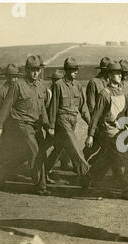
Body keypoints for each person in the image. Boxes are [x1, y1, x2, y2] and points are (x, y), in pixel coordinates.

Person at [0, 55, 51, 195]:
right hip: (21, 124)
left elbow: (42, 108)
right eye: (32, 70)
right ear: (26, 70)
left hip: (35, 126)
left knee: (27, 154)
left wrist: (48, 125)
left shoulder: (40, 86)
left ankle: (2, 172)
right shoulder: (18, 85)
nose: (35, 73)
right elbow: (6, 106)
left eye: (37, 70)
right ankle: (41, 186)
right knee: (36, 152)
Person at [83, 61, 128, 192]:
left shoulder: (123, 91)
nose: (120, 75)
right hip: (109, 131)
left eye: (120, 73)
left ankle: (89, 177)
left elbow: (127, 112)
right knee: (123, 155)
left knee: (107, 158)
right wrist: (90, 135)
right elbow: (96, 116)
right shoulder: (104, 94)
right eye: (117, 73)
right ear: (109, 75)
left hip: (121, 130)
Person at [46, 57, 91, 187]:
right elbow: (54, 106)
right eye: (73, 69)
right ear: (66, 70)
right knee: (74, 146)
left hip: (73, 120)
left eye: (77, 69)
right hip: (62, 120)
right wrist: (51, 126)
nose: (76, 71)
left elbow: (83, 107)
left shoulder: (77, 85)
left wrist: (90, 123)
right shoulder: (58, 85)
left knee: (59, 148)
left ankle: (43, 171)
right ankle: (85, 174)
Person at [0, 64, 22, 168]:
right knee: (2, 150)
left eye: (16, 76)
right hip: (4, 126)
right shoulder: (1, 92)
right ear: (7, 77)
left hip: (15, 125)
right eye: (12, 77)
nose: (15, 79)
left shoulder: (18, 90)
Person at [84, 57, 111, 162]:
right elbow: (91, 105)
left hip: (107, 121)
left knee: (106, 146)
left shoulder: (109, 82)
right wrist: (95, 123)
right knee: (92, 146)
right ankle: (80, 165)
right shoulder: (94, 82)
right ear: (102, 69)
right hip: (98, 122)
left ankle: (91, 162)